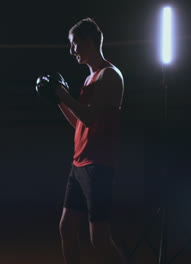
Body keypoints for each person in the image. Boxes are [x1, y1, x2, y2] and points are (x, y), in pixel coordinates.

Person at [56, 18, 125, 264]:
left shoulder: (110, 75)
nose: (72, 50)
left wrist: (64, 94)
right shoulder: (89, 79)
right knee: (66, 228)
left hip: (99, 164)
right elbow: (79, 123)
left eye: (74, 44)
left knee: (100, 239)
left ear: (88, 42)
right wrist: (59, 100)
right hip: (79, 164)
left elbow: (89, 116)